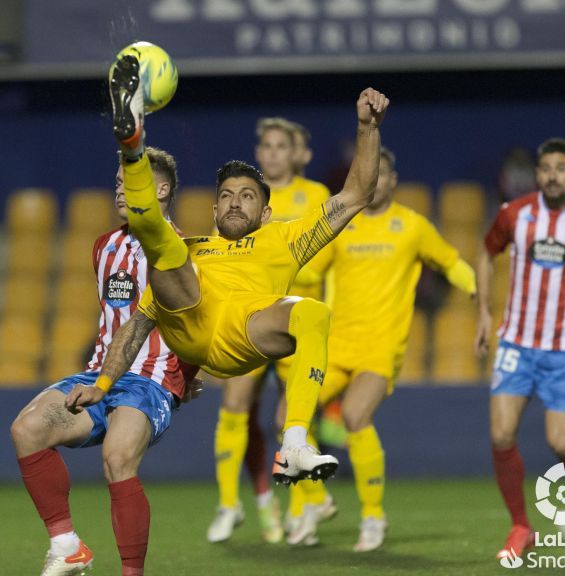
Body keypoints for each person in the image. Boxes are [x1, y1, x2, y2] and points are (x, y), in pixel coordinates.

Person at [67, 55, 389, 502]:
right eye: (226, 197)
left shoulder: (286, 239)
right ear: (214, 210)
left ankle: (294, 443)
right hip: (192, 324)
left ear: (266, 211)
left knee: (312, 312)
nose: (235, 203)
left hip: (245, 334)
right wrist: (102, 387)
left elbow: (357, 194)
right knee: (162, 241)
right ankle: (132, 144)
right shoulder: (194, 246)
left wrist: (368, 128)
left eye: (247, 196)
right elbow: (136, 327)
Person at [10, 147, 200, 576]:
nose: (118, 188)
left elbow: (194, 320)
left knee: (116, 458)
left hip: (151, 379)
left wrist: (187, 374)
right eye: (116, 181)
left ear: (161, 190)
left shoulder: (183, 251)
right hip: (100, 376)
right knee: (26, 429)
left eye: (128, 182)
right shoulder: (104, 246)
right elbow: (112, 319)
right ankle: (66, 546)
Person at [295, 146, 477, 551]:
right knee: (287, 417)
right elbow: (308, 268)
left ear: (393, 180)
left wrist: (474, 287)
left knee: (356, 416)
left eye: (381, 175)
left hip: (380, 348)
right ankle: (315, 499)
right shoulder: (343, 226)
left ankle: (373, 515)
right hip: (334, 345)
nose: (374, 181)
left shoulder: (411, 226)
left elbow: (449, 262)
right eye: (367, 174)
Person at [475, 137, 565, 561]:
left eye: (561, 168)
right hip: (516, 343)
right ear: (537, 175)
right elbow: (485, 254)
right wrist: (484, 313)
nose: (552, 175)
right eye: (545, 168)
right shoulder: (515, 215)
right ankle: (521, 526)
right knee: (501, 433)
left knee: (561, 444)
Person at [209, 117, 335, 546]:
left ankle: (304, 510)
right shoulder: (239, 204)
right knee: (235, 404)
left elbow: (327, 256)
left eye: (282, 145)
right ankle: (229, 504)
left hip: (294, 320)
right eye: (267, 145)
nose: (273, 153)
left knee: (290, 417)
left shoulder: (314, 195)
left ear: (296, 153)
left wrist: (285, 262)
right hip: (250, 319)